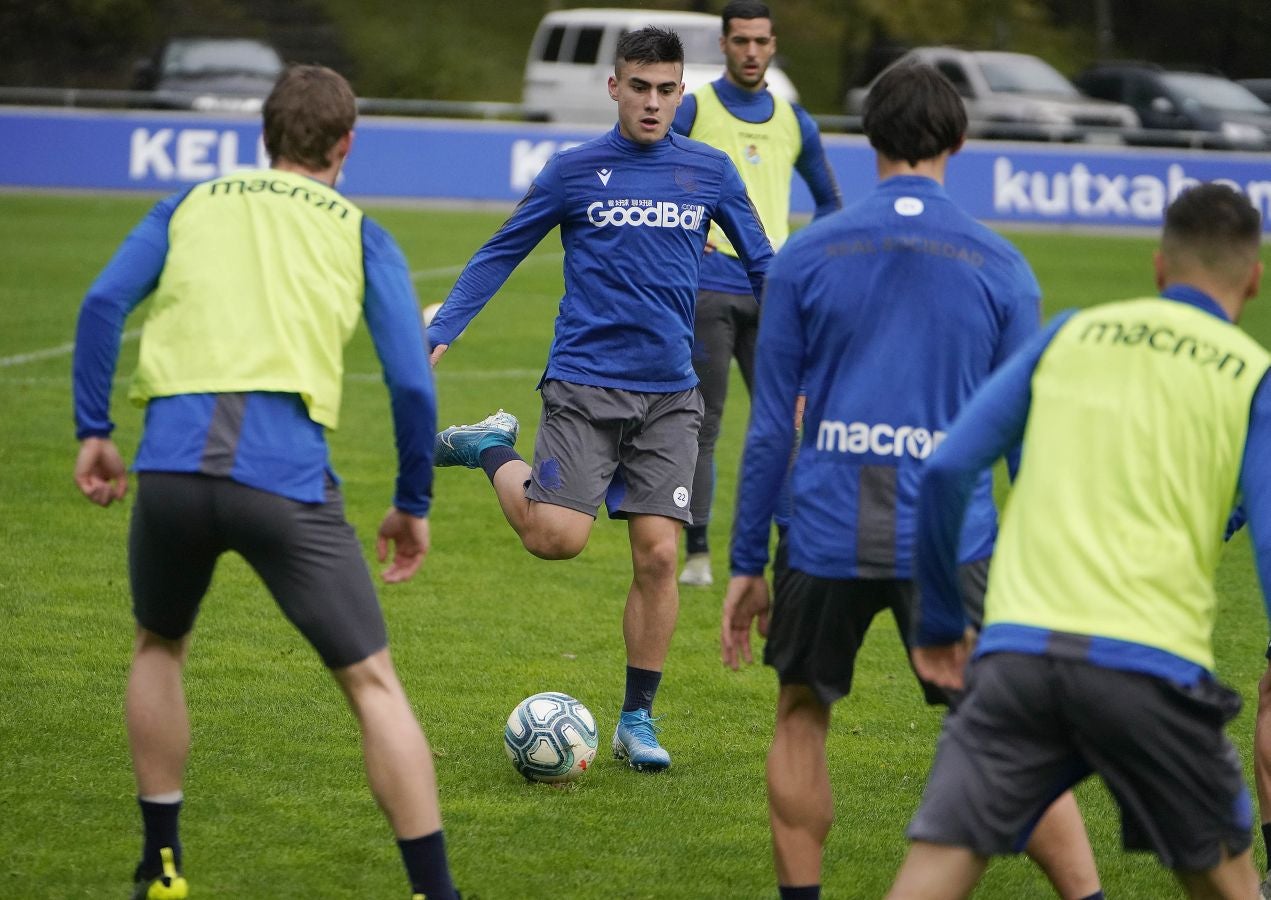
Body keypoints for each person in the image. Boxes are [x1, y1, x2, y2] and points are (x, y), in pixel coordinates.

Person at [71, 65, 458, 900]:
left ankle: (161, 866)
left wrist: (93, 432)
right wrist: (412, 503)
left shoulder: (188, 204)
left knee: (159, 644)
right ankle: (435, 891)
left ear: (263, 136)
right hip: (283, 480)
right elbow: (410, 383)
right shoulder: (360, 231)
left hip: (169, 473)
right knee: (372, 685)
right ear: (346, 145)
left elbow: (101, 304)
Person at [719, 63, 1102, 900]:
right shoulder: (1003, 266)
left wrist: (746, 561)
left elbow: (772, 425)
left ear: (868, 139)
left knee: (799, 713)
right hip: (951, 539)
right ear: (958, 141)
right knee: (1005, 734)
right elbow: (1024, 440)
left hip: (821, 532)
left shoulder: (804, 256)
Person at [887, 181, 1267, 899]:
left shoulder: (1068, 333)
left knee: (931, 875)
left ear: (1159, 266)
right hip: (1151, 669)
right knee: (1228, 884)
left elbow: (945, 471)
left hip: (1017, 659)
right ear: (1253, 279)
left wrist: (938, 622)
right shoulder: (1252, 376)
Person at [426, 27, 772, 773]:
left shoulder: (709, 171)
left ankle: (636, 720)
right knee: (555, 539)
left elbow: (765, 266)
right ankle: (489, 445)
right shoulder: (574, 170)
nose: (652, 102)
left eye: (666, 89)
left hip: (670, 394)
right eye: (639, 87)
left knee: (659, 554)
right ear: (614, 87)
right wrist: (444, 328)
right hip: (584, 384)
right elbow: (501, 249)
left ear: (681, 94)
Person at [670, 0, 842, 588]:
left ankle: (792, 552)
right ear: (723, 44)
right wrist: (686, 235)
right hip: (709, 291)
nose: (750, 51)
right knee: (704, 423)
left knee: (785, 425)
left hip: (774, 294)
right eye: (740, 40)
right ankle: (698, 555)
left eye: (760, 41)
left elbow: (830, 202)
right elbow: (657, 172)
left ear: (773, 46)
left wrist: (799, 255)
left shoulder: (796, 120)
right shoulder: (694, 108)